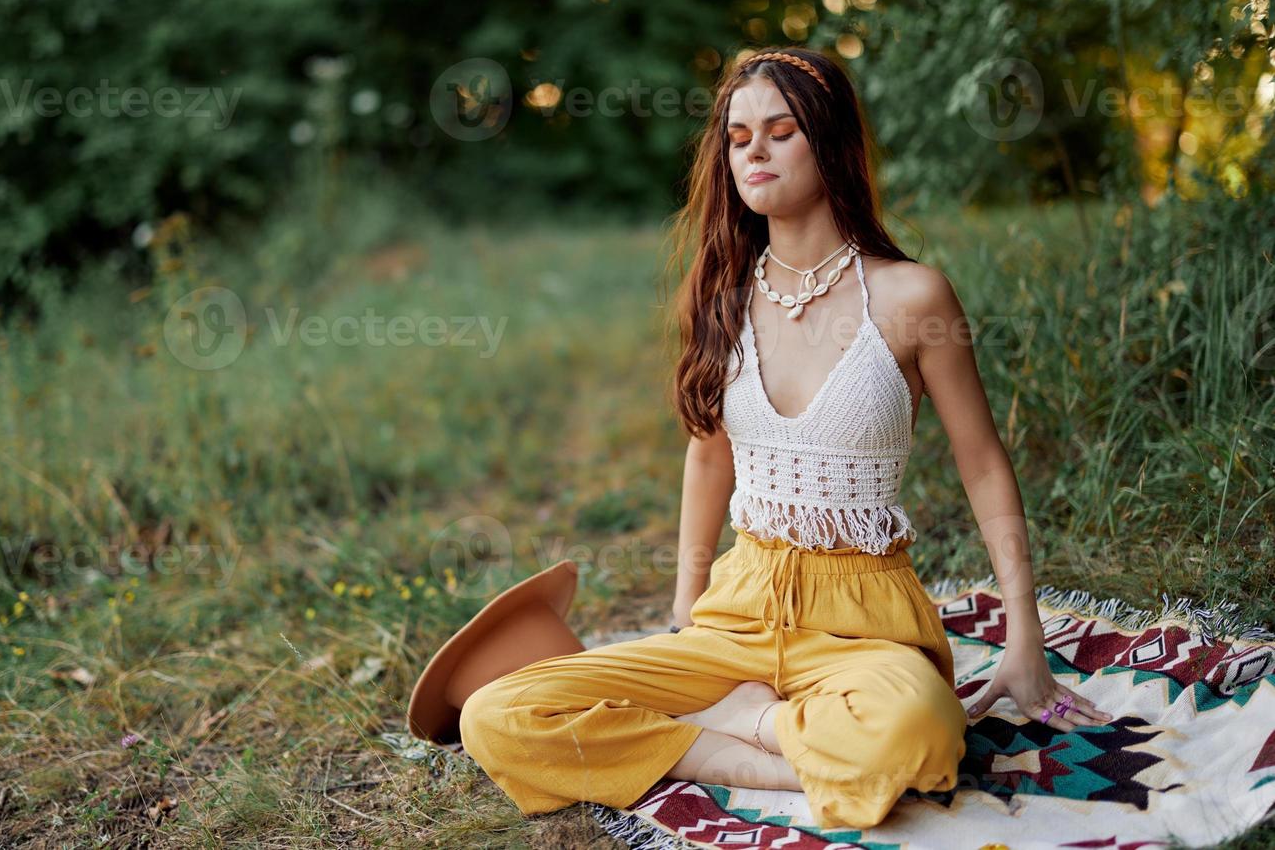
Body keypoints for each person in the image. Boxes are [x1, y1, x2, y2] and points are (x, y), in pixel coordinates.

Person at [458, 47, 1113, 831]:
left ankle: (742, 727)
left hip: (863, 619)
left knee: (919, 733)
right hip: (739, 608)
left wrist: (1023, 639)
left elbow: (983, 465)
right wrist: (684, 610)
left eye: (780, 131)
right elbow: (708, 458)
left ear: (830, 143)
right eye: (738, 138)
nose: (754, 152)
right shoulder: (723, 299)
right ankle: (736, 745)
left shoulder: (911, 297)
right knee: (497, 712)